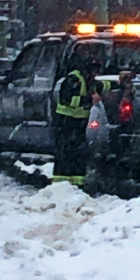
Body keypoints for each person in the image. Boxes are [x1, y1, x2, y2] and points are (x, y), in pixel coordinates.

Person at [51, 58, 112, 187]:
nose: (96, 74)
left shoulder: (89, 81)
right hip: (66, 122)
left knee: (78, 153)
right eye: (95, 71)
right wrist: (90, 99)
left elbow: (103, 85)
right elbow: (67, 100)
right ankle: (60, 184)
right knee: (66, 153)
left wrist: (120, 83)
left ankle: (77, 183)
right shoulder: (74, 79)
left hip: (78, 123)